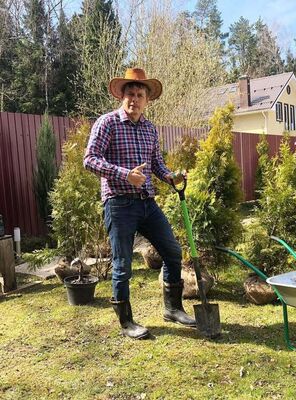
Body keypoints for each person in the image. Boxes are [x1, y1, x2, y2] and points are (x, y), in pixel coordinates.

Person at [83, 67, 196, 340]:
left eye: (139, 95)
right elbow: (90, 159)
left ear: (147, 100)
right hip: (119, 203)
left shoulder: (149, 129)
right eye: (130, 94)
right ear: (122, 97)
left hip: (147, 203)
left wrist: (171, 176)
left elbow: (156, 164)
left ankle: (173, 308)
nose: (134, 99)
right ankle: (126, 322)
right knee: (123, 264)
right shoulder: (107, 123)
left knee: (172, 251)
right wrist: (125, 174)